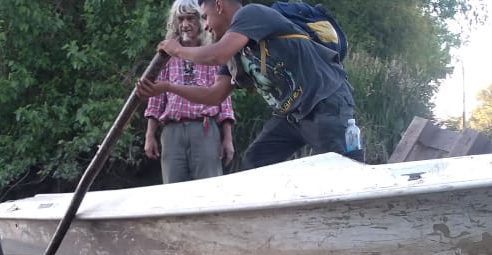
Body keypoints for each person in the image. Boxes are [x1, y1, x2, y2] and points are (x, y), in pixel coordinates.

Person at [137, 0, 362, 170]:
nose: (205, 27)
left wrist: (176, 49)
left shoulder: (251, 14)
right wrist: (168, 87)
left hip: (324, 102)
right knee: (256, 160)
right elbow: (214, 95)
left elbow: (215, 55)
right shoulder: (234, 55)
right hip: (292, 116)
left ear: (219, 4)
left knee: (343, 170)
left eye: (205, 17)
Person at [144, 0, 237, 183]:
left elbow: (223, 99)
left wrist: (228, 138)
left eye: (191, 19)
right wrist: (149, 135)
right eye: (181, 19)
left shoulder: (212, 52)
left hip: (204, 129)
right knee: (173, 190)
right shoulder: (165, 55)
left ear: (201, 21)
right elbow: (156, 98)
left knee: (209, 187)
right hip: (172, 131)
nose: (185, 25)